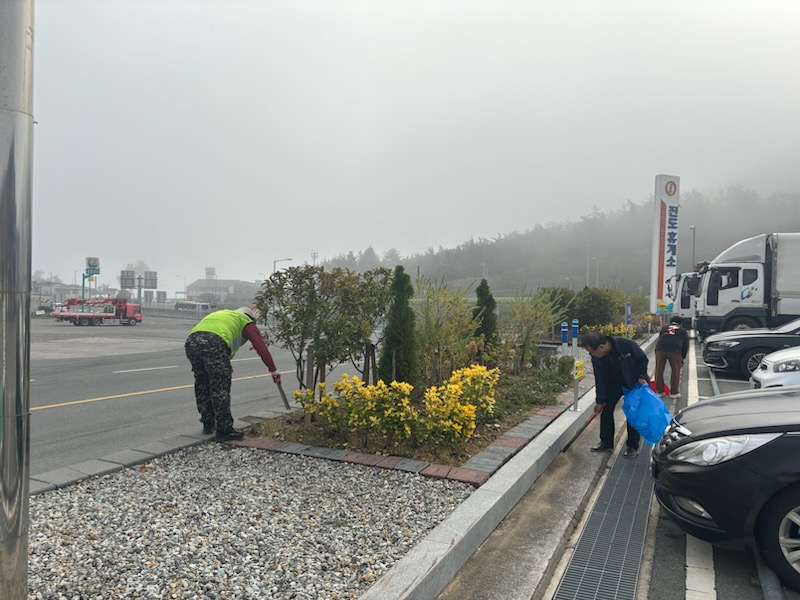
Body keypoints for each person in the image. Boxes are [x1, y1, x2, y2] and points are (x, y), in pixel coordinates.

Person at [184, 306, 281, 442]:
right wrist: (273, 369)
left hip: (191, 341)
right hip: (214, 343)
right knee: (220, 387)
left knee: (202, 384)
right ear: (251, 318)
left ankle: (208, 423)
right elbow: (261, 348)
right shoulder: (246, 322)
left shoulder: (223, 314)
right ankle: (224, 430)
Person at [581, 331, 649, 458]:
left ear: (601, 347)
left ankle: (632, 446)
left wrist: (640, 376)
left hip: (633, 381)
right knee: (606, 409)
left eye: (592, 352)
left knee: (632, 412)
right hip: (613, 384)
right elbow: (600, 378)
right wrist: (600, 401)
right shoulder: (596, 357)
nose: (591, 355)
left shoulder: (625, 345)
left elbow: (642, 359)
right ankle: (606, 442)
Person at [654, 315, 689, 400]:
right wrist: (682, 358)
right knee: (675, 371)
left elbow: (660, 338)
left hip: (660, 349)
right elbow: (685, 345)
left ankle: (659, 391)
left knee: (659, 370)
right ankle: (674, 393)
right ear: (680, 324)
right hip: (675, 350)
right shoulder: (682, 330)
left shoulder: (664, 328)